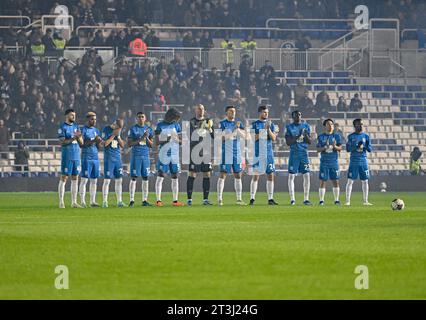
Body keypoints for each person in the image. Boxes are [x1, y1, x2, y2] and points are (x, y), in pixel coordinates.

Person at [217, 105, 247, 206]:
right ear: (226, 113)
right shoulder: (222, 124)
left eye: (234, 111)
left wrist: (238, 130)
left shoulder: (239, 124)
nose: (233, 113)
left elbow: (246, 136)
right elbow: (221, 138)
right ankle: (219, 199)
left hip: (236, 153)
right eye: (230, 111)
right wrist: (234, 129)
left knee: (238, 175)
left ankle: (239, 199)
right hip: (227, 153)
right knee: (223, 174)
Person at [154, 108, 185, 207]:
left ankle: (175, 201)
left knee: (175, 176)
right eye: (175, 118)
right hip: (164, 154)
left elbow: (181, 141)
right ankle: (158, 200)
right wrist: (168, 138)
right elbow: (157, 142)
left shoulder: (176, 125)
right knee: (161, 175)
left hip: (174, 154)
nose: (176, 120)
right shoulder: (160, 125)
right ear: (170, 116)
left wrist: (176, 139)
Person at [249, 106, 279, 206]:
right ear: (259, 113)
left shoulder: (271, 124)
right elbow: (253, 138)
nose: (266, 114)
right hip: (258, 153)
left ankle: (270, 198)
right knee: (256, 175)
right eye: (264, 112)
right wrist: (264, 132)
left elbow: (274, 138)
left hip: (269, 153)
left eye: (267, 112)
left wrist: (268, 129)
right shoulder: (254, 124)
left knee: (270, 175)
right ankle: (252, 198)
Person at [186, 104, 214, 206]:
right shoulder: (191, 122)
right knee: (192, 174)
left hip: (205, 151)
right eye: (199, 109)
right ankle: (189, 199)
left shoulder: (208, 121)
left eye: (202, 109)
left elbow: (214, 136)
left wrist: (210, 129)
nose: (200, 110)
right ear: (195, 110)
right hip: (195, 151)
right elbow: (189, 136)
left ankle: (205, 200)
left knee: (207, 174)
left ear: (204, 110)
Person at [285, 110, 312, 205]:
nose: (298, 116)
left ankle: (306, 199)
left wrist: (305, 135)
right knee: (291, 176)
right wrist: (298, 136)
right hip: (294, 153)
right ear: (293, 117)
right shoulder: (289, 127)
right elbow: (288, 142)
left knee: (307, 176)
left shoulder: (306, 126)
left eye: (300, 115)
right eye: (296, 115)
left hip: (304, 153)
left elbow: (310, 142)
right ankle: (292, 199)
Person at [58, 109, 83, 209]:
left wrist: (79, 137)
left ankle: (74, 202)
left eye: (74, 115)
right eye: (72, 115)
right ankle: (61, 202)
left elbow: (81, 143)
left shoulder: (76, 126)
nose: (74, 117)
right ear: (67, 116)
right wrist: (74, 138)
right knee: (64, 177)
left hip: (76, 156)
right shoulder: (62, 127)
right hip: (67, 156)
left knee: (75, 178)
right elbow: (62, 142)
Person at [127, 112, 154, 207]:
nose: (141, 118)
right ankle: (131, 200)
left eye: (142, 117)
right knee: (134, 177)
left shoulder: (149, 129)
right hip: (136, 156)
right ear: (136, 119)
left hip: (145, 156)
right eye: (139, 117)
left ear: (145, 118)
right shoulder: (133, 129)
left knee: (145, 178)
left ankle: (144, 200)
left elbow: (151, 145)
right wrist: (141, 138)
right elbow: (129, 144)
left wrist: (146, 138)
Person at [345, 118, 373, 206]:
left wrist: (366, 146)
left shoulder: (366, 136)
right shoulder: (351, 136)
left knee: (365, 181)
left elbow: (370, 149)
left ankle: (365, 201)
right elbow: (348, 149)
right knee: (350, 181)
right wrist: (356, 146)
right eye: (358, 124)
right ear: (355, 126)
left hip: (363, 161)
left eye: (361, 124)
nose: (360, 126)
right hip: (354, 161)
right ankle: (347, 201)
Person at [316, 119, 343, 205]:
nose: (330, 126)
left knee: (335, 180)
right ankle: (321, 200)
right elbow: (317, 150)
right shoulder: (321, 137)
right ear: (325, 126)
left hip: (334, 162)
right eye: (328, 124)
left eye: (332, 124)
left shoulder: (337, 136)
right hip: (324, 162)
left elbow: (340, 148)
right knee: (323, 181)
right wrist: (325, 147)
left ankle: (336, 200)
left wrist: (335, 146)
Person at [101, 118, 127, 208]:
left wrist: (118, 136)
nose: (120, 129)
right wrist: (113, 135)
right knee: (107, 180)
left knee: (119, 180)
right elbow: (105, 144)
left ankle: (119, 201)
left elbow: (123, 145)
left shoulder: (118, 131)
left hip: (117, 159)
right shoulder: (106, 129)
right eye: (119, 127)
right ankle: (105, 201)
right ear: (115, 124)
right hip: (109, 159)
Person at [79, 112, 102, 208]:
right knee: (84, 180)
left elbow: (98, 147)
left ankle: (93, 201)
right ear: (88, 120)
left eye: (95, 119)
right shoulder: (83, 130)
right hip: (86, 157)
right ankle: (82, 201)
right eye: (92, 119)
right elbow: (82, 144)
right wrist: (94, 140)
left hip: (95, 157)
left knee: (94, 180)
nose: (94, 121)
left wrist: (99, 142)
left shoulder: (96, 130)